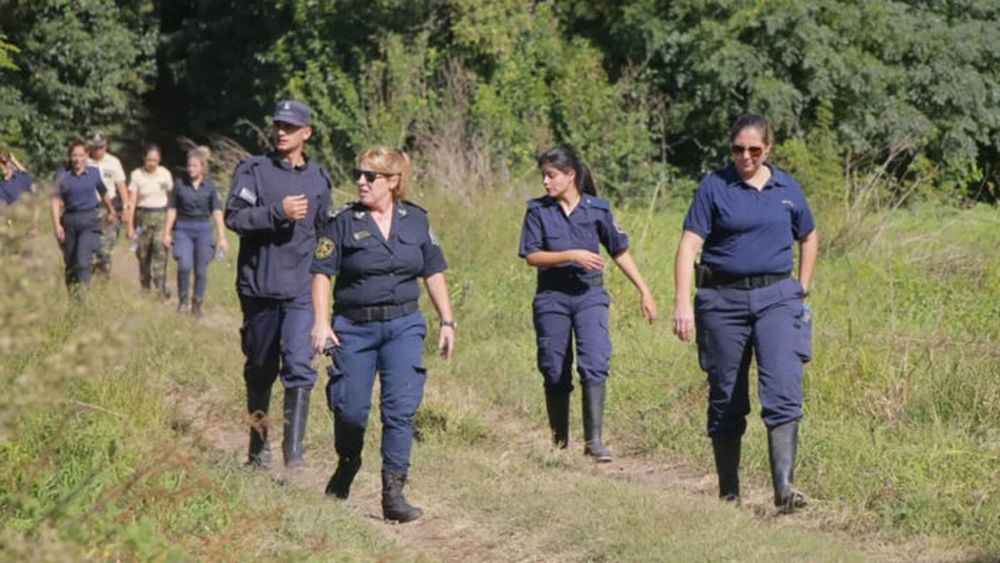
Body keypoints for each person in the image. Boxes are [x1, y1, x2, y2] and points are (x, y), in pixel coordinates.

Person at [671, 113, 818, 512]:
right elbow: (688, 246)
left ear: (768, 148)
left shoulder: (787, 187)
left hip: (777, 299)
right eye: (738, 149)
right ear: (730, 149)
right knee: (726, 396)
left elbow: (808, 234)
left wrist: (802, 285)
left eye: (754, 149)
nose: (746, 156)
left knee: (784, 387)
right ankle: (729, 493)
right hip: (723, 301)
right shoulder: (714, 187)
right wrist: (683, 301)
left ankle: (785, 489)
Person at [310, 146, 455, 523]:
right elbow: (322, 274)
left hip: (403, 326)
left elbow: (433, 270)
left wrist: (447, 321)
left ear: (393, 182)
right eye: (359, 174)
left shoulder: (416, 220)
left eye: (370, 176)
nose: (360, 181)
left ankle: (393, 491)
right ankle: (348, 461)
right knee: (351, 410)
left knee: (400, 409)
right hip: (353, 329)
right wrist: (321, 323)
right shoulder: (342, 221)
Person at [518, 147, 657, 462]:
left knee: (594, 362)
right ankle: (559, 442)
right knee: (554, 369)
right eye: (543, 175)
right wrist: (571, 254)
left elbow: (619, 251)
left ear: (570, 176)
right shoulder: (538, 211)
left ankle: (594, 441)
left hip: (589, 296)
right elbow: (531, 256)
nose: (545, 182)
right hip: (552, 296)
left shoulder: (598, 210)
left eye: (551, 176)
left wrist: (644, 290)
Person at [225, 100, 333, 470]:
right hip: (259, 288)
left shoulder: (319, 178)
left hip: (301, 290)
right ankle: (258, 445)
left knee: (300, 365)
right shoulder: (253, 171)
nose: (281, 131)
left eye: (290, 126)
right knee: (259, 368)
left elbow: (324, 236)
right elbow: (234, 218)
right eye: (277, 125)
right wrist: (277, 212)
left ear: (307, 133)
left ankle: (294, 452)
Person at [164, 146, 228, 316]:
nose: (191, 169)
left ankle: (197, 304)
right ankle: (183, 301)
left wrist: (222, 236)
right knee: (184, 265)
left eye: (195, 166)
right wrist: (167, 232)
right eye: (189, 166)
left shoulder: (210, 186)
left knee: (201, 270)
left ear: (202, 167)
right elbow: (172, 209)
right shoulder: (179, 184)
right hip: (183, 228)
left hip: (203, 230)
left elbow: (217, 211)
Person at [50, 139, 117, 293]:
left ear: (87, 156)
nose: (78, 159)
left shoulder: (93, 173)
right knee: (71, 263)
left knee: (83, 260)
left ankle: (83, 297)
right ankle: (73, 298)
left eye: (81, 155)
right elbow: (54, 201)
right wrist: (56, 225)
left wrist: (111, 210)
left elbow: (104, 192)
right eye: (74, 155)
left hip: (90, 221)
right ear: (69, 157)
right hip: (70, 221)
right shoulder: (61, 175)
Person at [126, 145, 173, 297]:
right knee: (143, 253)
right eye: (149, 160)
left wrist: (171, 226)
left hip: (160, 216)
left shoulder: (165, 174)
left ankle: (160, 287)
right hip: (143, 217)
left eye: (155, 160)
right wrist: (130, 227)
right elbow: (131, 203)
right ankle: (145, 287)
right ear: (143, 159)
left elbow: (171, 198)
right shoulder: (136, 175)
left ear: (159, 159)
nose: (152, 163)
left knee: (160, 251)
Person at [86, 132, 129, 279]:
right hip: (88, 208)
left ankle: (103, 283)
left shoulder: (114, 162)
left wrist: (126, 208)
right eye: (95, 147)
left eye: (101, 147)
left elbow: (122, 187)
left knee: (105, 250)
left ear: (106, 146)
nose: (98, 150)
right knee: (88, 250)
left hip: (108, 209)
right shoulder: (84, 161)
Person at [0, 150, 40, 236]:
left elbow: (27, 175)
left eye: (3, 163)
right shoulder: (1, 185)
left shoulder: (20, 177)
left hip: (29, 222)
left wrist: (14, 160)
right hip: (14, 223)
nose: (1, 166)